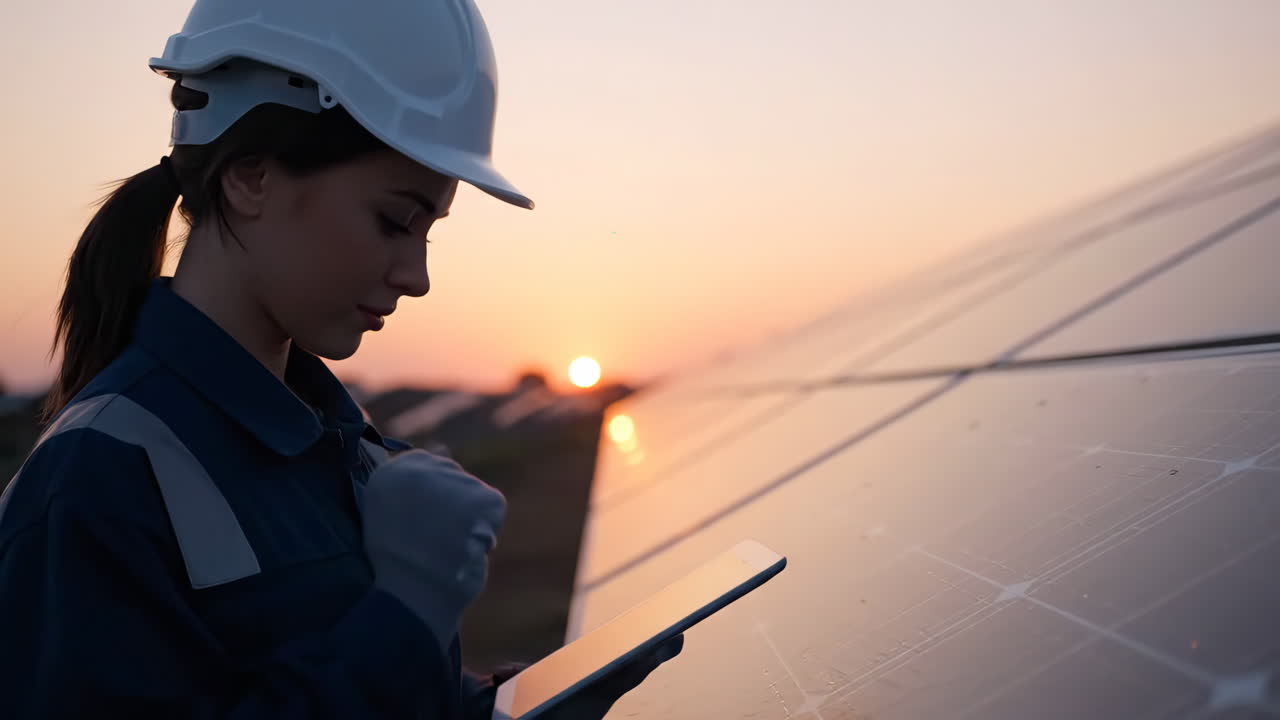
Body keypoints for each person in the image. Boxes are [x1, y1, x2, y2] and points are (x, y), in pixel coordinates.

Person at [0, 0, 681, 717]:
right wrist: (407, 613)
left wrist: (494, 709)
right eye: (394, 222)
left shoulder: (339, 441)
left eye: (428, 233)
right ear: (250, 176)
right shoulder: (93, 484)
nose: (416, 277)